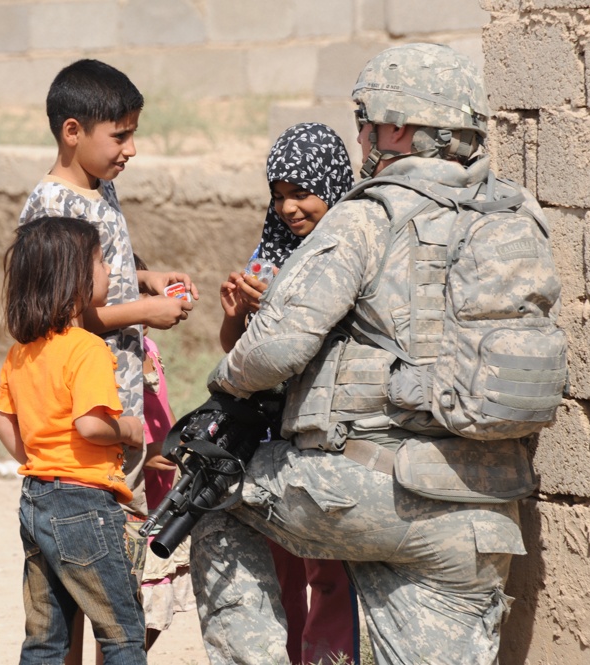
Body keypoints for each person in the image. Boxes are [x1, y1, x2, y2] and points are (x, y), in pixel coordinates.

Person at [192, 43, 554, 665]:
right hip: (486, 514)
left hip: (370, 493)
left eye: (366, 122)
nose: (361, 137)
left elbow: (276, 347)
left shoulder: (368, 214)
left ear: (397, 127)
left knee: (214, 499)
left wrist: (225, 378)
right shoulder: (518, 215)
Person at [18, 58, 197, 665]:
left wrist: (145, 275)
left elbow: (109, 269)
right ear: (73, 132)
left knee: (117, 557)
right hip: (87, 418)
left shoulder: (99, 189)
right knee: (89, 570)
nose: (131, 149)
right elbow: (67, 315)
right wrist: (143, 310)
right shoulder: (52, 208)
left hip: (118, 391)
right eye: (119, 135)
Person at [216, 122, 360, 665]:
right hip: (271, 433)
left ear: (331, 184)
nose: (288, 209)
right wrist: (237, 316)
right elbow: (239, 350)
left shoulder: (350, 249)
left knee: (326, 567)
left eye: (301, 193)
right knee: (281, 566)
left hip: (328, 431)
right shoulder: (272, 250)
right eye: (278, 196)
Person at [0, 216, 147, 665]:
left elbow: (2, 420)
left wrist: (40, 457)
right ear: (74, 278)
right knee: (122, 632)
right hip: (83, 505)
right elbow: (90, 426)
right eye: (100, 262)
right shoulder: (87, 348)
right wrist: (130, 431)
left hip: (36, 499)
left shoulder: (22, 351)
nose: (110, 271)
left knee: (45, 638)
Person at [132, 253, 196, 652]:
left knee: (152, 602)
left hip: (160, 491)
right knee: (128, 601)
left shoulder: (148, 347)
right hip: (132, 491)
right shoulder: (102, 355)